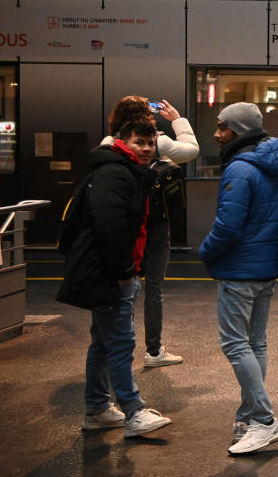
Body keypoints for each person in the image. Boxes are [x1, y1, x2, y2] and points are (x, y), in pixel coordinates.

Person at [199, 102, 278, 455]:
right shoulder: (274, 164)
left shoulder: (240, 168)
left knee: (236, 344)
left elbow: (228, 226)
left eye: (221, 127)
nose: (217, 134)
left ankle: (265, 421)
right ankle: (248, 416)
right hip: (266, 266)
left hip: (239, 269)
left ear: (237, 130)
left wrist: (204, 251)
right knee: (256, 344)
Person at [80, 118, 172, 437]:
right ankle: (133, 412)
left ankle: (97, 409)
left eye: (150, 143)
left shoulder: (125, 170)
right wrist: (123, 273)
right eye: (139, 142)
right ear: (122, 141)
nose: (146, 148)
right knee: (120, 343)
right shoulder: (116, 173)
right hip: (113, 274)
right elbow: (111, 228)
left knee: (103, 343)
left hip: (114, 271)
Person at [102, 96, 199, 368]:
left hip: (123, 225)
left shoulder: (109, 144)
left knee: (124, 288)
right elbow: (192, 149)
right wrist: (177, 119)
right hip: (155, 223)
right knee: (153, 287)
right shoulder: (157, 141)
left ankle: (119, 349)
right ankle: (153, 351)